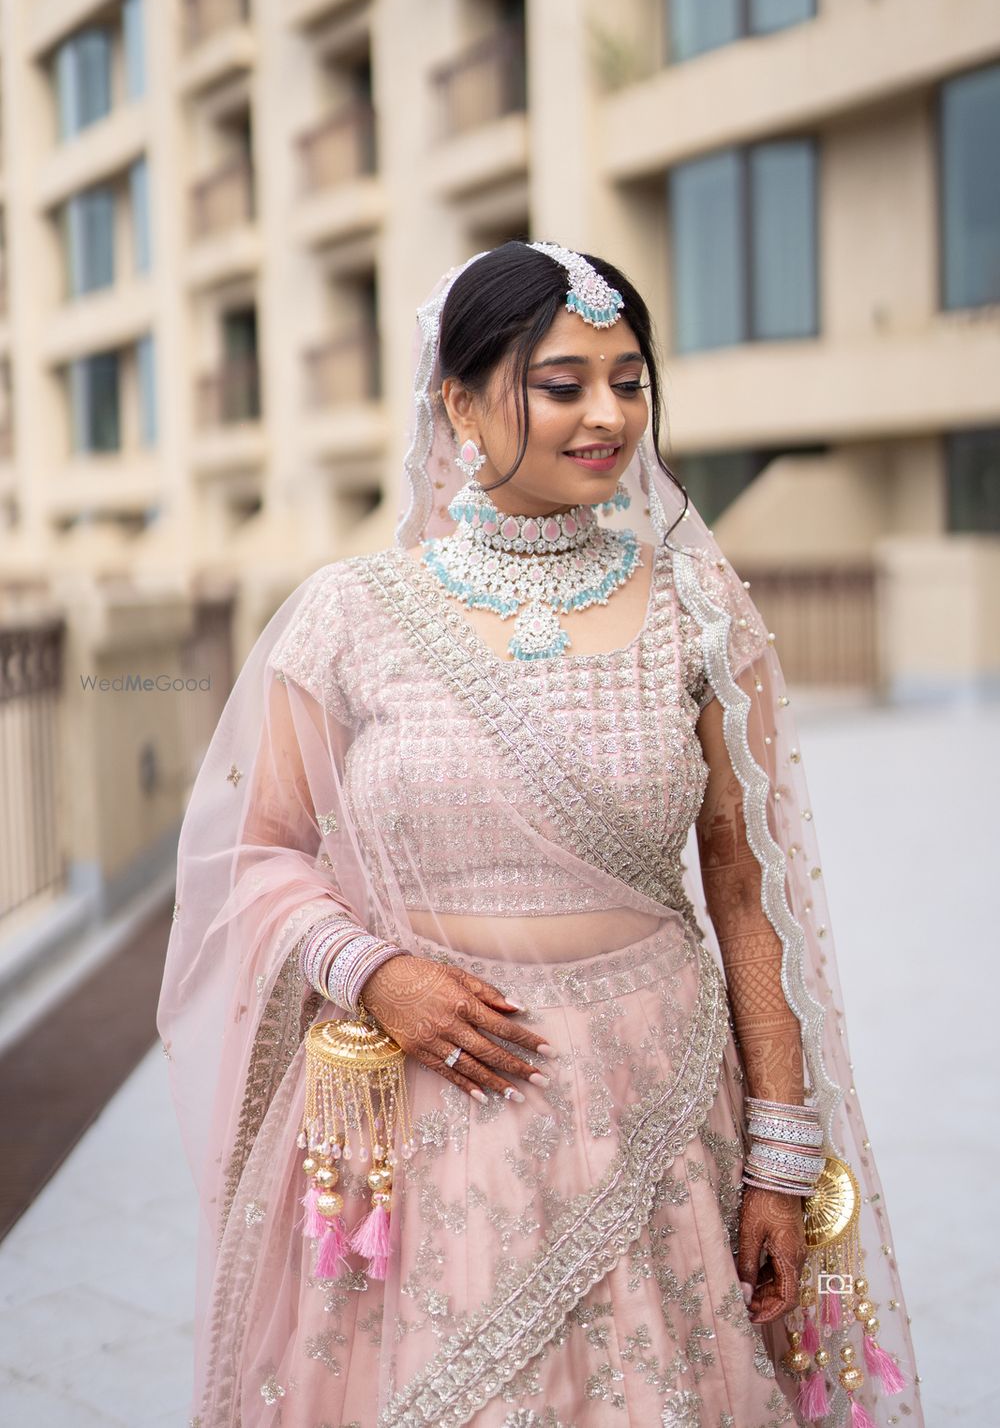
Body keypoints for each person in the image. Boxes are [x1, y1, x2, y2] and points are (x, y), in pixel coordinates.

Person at [158, 242, 923, 1428]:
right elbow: (261, 854)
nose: (606, 414)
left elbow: (744, 878)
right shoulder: (351, 615)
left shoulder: (699, 607)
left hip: (656, 1099)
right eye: (562, 383)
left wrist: (778, 1146)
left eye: (629, 380)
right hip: (430, 1105)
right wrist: (377, 974)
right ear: (457, 401)